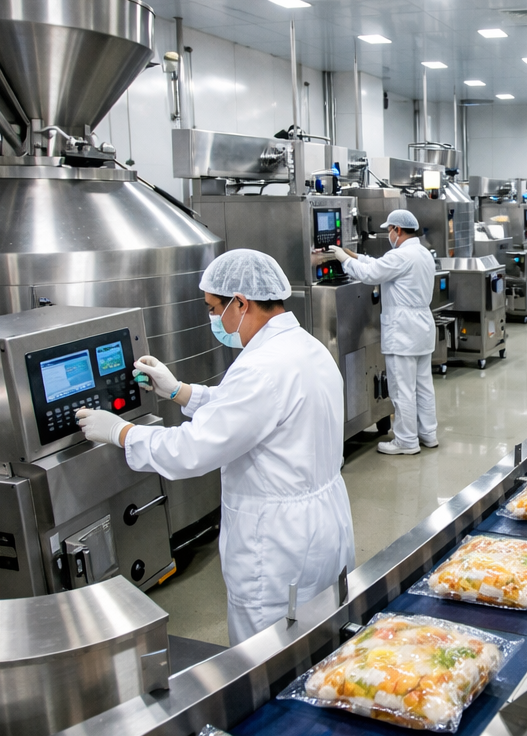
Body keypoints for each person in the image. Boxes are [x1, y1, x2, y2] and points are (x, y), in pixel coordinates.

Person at [74, 249, 355, 645]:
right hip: (322, 523)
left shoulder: (261, 368)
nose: (212, 320)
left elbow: (194, 449)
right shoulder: (304, 348)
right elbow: (249, 415)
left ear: (241, 303)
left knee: (269, 654)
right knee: (320, 637)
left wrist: (122, 433)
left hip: (278, 543)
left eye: (212, 309)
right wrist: (180, 392)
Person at [332, 210, 437, 456]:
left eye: (389, 229)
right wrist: (356, 256)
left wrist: (343, 260)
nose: (389, 234)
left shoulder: (401, 255)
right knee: (423, 386)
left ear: (397, 230)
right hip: (421, 327)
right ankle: (428, 434)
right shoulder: (421, 252)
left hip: (403, 330)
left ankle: (406, 441)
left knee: (402, 389)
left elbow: (371, 275)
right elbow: (381, 265)